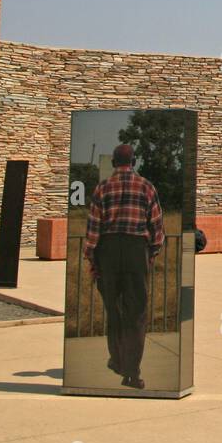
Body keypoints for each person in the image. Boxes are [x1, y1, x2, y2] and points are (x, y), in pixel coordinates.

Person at [84, 143, 165, 390]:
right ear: (134, 161)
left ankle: (118, 360)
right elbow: (157, 225)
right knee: (137, 314)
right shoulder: (146, 186)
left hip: (108, 250)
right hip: (135, 250)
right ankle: (132, 373)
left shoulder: (103, 187)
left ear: (113, 162)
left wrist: (92, 258)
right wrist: (151, 253)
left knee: (113, 309)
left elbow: (94, 227)